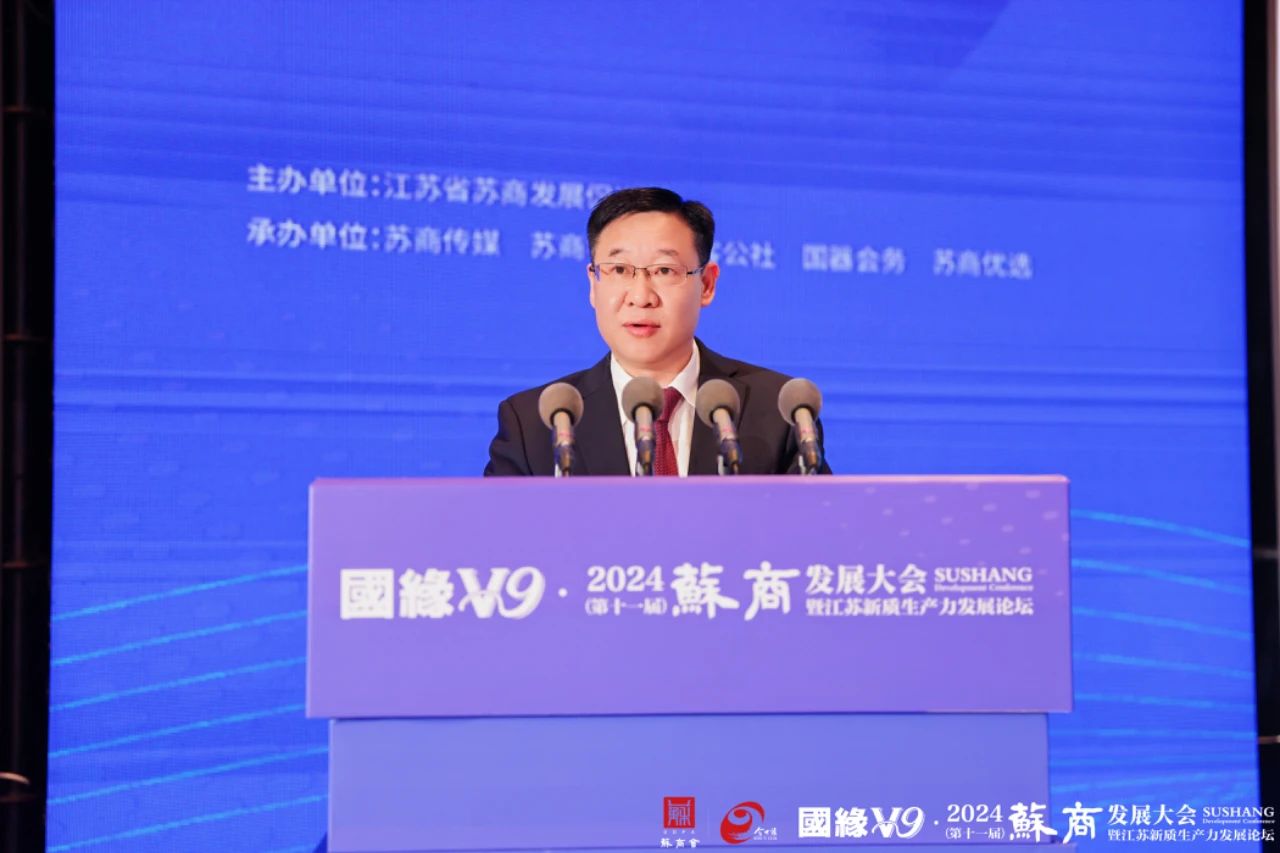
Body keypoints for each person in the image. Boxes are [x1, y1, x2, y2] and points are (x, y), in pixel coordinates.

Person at [483, 187, 831, 476]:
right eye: (619, 269)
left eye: (664, 270)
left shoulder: (781, 410)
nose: (641, 296)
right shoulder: (534, 424)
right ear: (593, 283)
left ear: (707, 284)